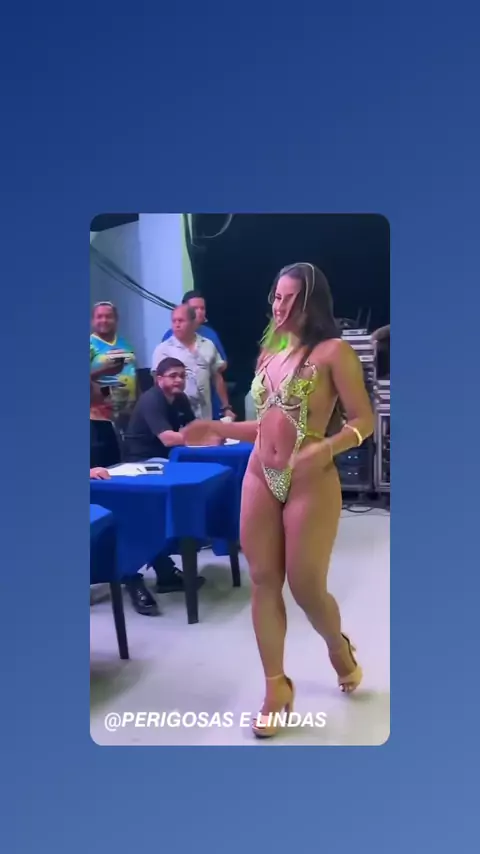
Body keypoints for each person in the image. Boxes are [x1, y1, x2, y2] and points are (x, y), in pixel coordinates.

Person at [182, 263, 375, 738]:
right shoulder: (269, 351)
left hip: (311, 478)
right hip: (258, 475)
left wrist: (326, 448)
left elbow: (364, 420)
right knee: (264, 581)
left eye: (290, 297)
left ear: (311, 303)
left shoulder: (334, 353)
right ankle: (276, 688)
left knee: (306, 586)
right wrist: (217, 428)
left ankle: (338, 646)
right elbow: (266, 426)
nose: (280, 305)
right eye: (276, 296)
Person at [122, 357, 220, 608]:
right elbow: (168, 438)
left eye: (182, 376)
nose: (179, 380)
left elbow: (192, 429)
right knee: (156, 513)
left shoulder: (180, 399)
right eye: (173, 375)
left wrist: (210, 434)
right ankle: (150, 569)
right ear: (159, 379)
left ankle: (168, 566)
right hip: (141, 463)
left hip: (167, 461)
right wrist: (204, 439)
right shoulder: (151, 400)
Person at [152, 305, 234, 421]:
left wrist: (226, 407)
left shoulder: (208, 345)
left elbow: (217, 377)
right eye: (174, 321)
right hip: (177, 417)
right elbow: (157, 384)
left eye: (181, 320)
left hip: (205, 415)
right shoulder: (163, 350)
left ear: (193, 322)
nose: (177, 325)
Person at [90, 301, 138, 434]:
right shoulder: (90, 344)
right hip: (100, 416)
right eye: (99, 317)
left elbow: (134, 373)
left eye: (108, 316)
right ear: (92, 321)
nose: (104, 320)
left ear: (116, 320)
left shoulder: (125, 343)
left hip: (128, 413)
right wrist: (103, 370)